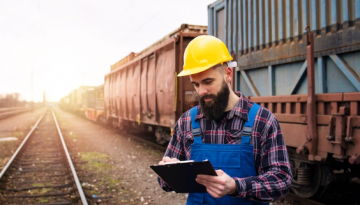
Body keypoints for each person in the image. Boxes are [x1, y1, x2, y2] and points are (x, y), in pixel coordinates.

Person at [157, 35, 292, 205]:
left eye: (208, 81)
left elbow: (282, 180)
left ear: (228, 74)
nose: (202, 91)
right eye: (196, 84)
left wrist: (236, 186)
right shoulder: (186, 122)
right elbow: (163, 183)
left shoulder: (262, 121)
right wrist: (170, 171)